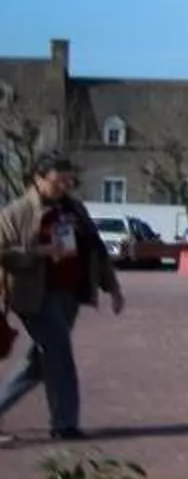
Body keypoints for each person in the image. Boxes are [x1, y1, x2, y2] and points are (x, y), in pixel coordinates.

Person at [0, 153, 125, 444]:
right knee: (61, 357)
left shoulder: (75, 209)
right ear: (38, 179)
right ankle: (65, 424)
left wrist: (113, 288)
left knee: (39, 364)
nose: (65, 187)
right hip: (32, 296)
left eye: (69, 181)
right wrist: (38, 252)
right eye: (59, 182)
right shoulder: (16, 212)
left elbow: (96, 250)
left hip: (69, 294)